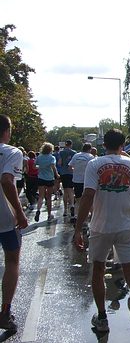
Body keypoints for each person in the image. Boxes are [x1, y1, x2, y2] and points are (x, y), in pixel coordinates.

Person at [73, 128, 130, 341]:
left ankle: (102, 318)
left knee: (98, 271)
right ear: (123, 144)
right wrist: (127, 159)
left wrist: (78, 228)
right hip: (127, 226)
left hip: (101, 226)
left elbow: (88, 195)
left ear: (103, 145)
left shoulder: (94, 164)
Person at [0, 114, 28, 333]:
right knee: (11, 262)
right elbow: (7, 180)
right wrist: (19, 212)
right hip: (5, 216)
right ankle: (5, 311)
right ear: (7, 130)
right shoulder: (12, 152)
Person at [68, 143, 94, 222]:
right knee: (88, 199)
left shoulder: (76, 155)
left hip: (76, 180)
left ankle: (76, 216)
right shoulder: (90, 157)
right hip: (87, 181)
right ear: (89, 149)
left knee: (78, 199)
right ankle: (91, 215)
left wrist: (76, 171)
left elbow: (69, 167)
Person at [34, 143, 59, 222]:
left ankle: (38, 210)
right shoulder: (52, 157)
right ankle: (49, 215)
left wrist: (41, 167)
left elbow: (34, 166)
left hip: (41, 177)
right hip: (49, 178)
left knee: (41, 196)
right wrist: (56, 174)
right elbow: (53, 166)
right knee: (49, 198)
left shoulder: (39, 157)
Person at [59, 140, 76, 217]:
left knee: (65, 191)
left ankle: (65, 210)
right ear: (71, 145)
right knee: (71, 190)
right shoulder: (74, 153)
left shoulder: (61, 152)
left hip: (63, 173)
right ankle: (72, 205)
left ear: (65, 145)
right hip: (71, 173)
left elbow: (59, 162)